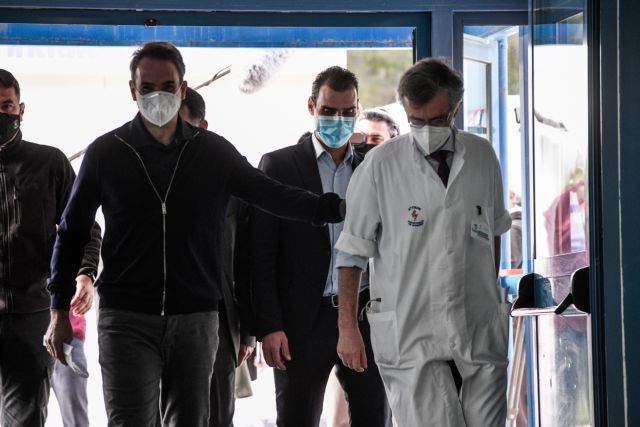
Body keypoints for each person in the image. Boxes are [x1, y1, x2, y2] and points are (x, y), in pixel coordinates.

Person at [43, 41, 344, 427]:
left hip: (196, 318)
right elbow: (72, 231)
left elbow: (270, 194)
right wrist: (58, 310)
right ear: (133, 90)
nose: (157, 96)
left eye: (167, 86)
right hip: (127, 319)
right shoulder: (107, 153)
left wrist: (333, 208)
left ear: (183, 88)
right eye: (147, 87)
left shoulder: (212, 153)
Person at [335, 58, 512, 427]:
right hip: (410, 328)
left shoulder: (482, 156)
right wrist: (348, 328)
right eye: (416, 121)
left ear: (455, 110)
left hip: (477, 323)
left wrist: (490, 294)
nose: (426, 130)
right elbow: (351, 255)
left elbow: (493, 232)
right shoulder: (379, 166)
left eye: (437, 120)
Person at [250, 66, 391, 427]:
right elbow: (260, 253)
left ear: (358, 109)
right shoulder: (279, 165)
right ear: (312, 106)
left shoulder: (373, 166)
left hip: (363, 317)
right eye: (328, 110)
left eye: (347, 111)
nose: (337, 120)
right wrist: (269, 325)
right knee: (297, 419)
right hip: (300, 322)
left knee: (375, 417)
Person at [0, 69, 101, 427]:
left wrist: (85, 272)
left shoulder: (49, 164)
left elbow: (84, 228)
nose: (1, 115)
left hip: (32, 316)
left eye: (6, 106)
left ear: (20, 109)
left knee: (23, 419)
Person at [179, 87, 255, 426]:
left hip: (219, 317)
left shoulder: (231, 175)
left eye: (180, 126)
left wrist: (247, 332)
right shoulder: (143, 173)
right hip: (156, 319)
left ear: (203, 127)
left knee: (218, 414)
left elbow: (247, 258)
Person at [327, 105, 400, 427]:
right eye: (362, 138)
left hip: (379, 313)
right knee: (339, 416)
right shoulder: (344, 179)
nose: (366, 147)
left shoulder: (400, 185)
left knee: (377, 411)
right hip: (332, 311)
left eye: (375, 140)